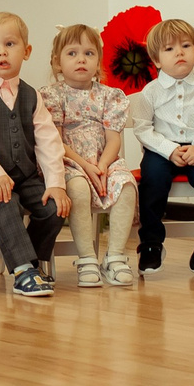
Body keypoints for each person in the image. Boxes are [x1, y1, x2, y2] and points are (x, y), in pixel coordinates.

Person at [0, 12, 69, 302]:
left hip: (24, 173)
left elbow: (48, 141)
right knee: (6, 201)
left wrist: (56, 183)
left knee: (54, 207)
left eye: (10, 44)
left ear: (27, 51)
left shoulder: (31, 95)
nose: (2, 52)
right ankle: (23, 271)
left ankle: (31, 261)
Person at [131, 18, 194, 277]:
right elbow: (142, 128)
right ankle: (151, 243)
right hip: (161, 151)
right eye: (170, 49)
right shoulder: (150, 92)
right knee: (152, 181)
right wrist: (168, 149)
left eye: (186, 46)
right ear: (157, 60)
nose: (179, 53)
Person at [46, 25, 139, 287]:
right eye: (72, 53)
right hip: (70, 162)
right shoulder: (52, 96)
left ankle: (115, 257)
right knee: (77, 188)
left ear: (98, 62)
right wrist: (86, 166)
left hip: (103, 160)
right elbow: (57, 141)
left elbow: (113, 139)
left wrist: (103, 165)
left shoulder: (109, 96)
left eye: (89, 53)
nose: (81, 59)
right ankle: (86, 258)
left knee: (127, 185)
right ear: (58, 62)